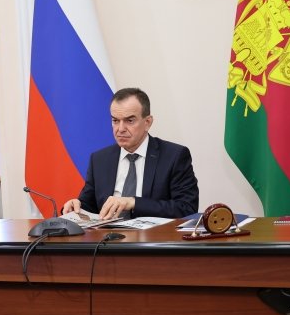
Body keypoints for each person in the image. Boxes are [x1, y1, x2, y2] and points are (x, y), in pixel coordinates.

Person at [62, 87, 198, 219]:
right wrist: (76, 207)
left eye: (130, 121)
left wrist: (133, 202)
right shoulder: (99, 159)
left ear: (147, 122)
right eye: (115, 121)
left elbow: (186, 208)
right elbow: (89, 205)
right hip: (108, 234)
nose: (120, 129)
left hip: (153, 234)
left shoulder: (174, 156)